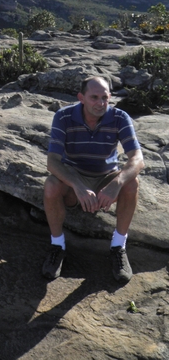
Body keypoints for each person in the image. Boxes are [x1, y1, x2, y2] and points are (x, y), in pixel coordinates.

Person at [42, 75, 144, 283]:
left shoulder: (119, 117)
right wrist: (77, 186)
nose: (101, 103)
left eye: (105, 98)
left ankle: (118, 246)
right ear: (81, 97)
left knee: (131, 183)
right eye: (94, 97)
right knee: (51, 186)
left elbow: (138, 159)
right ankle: (57, 245)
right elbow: (52, 162)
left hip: (106, 176)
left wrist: (116, 183)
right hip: (74, 177)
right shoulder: (63, 117)